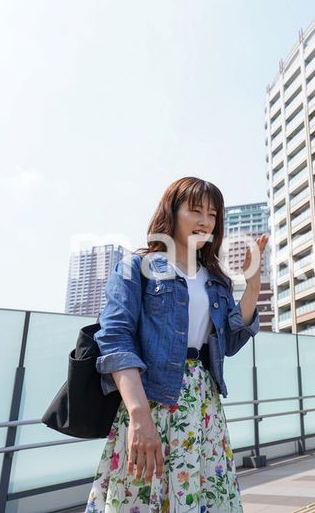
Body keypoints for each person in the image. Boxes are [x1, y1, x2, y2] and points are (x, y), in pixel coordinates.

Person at [85, 177, 268, 512]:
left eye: (212, 215)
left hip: (202, 405)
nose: (205, 221)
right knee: (141, 494)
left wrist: (251, 284)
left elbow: (230, 342)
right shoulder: (136, 267)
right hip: (151, 397)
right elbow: (115, 338)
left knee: (202, 497)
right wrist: (139, 416)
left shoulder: (215, 279)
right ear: (172, 211)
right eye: (196, 210)